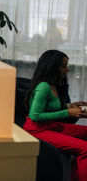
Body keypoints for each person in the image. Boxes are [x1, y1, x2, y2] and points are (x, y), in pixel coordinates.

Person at [23, 50, 87, 181]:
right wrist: (67, 112)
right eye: (63, 66)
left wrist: (70, 106)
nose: (67, 69)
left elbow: (50, 107)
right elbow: (35, 116)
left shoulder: (53, 84)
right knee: (85, 149)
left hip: (50, 125)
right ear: (53, 67)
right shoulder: (43, 87)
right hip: (37, 129)